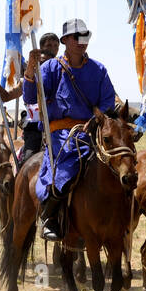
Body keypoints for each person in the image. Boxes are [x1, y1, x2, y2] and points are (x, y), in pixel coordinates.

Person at [25, 19, 116, 241]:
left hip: (93, 131)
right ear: (65, 40)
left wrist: (96, 121)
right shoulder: (50, 68)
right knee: (65, 168)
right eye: (77, 37)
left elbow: (108, 101)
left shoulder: (98, 69)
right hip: (62, 136)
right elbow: (30, 98)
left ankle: (120, 220)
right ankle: (51, 218)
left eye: (85, 37)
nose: (82, 42)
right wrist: (30, 68)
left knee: (119, 165)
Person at [0, 32, 59, 163]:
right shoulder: (29, 78)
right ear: (41, 47)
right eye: (49, 45)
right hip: (35, 129)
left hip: (57, 124)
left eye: (56, 45)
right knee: (29, 160)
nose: (53, 48)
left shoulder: (61, 71)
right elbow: (6, 96)